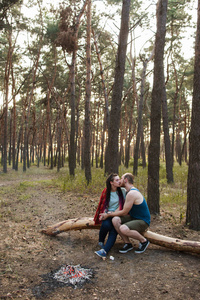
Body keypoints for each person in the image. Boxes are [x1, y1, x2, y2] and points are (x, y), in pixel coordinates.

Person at [100, 173, 150, 254]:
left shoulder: (132, 193)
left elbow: (124, 212)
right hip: (133, 217)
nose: (119, 181)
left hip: (143, 221)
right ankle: (128, 243)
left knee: (123, 228)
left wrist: (108, 214)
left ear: (125, 180)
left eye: (121, 178)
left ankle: (144, 241)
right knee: (115, 220)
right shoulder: (127, 191)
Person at [93, 173, 126, 258]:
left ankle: (104, 251)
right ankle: (101, 241)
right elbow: (103, 205)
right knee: (106, 224)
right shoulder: (106, 191)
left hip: (118, 214)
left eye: (119, 179)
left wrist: (111, 214)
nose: (119, 182)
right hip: (108, 213)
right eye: (117, 180)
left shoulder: (122, 191)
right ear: (111, 182)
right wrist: (105, 213)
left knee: (114, 229)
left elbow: (121, 206)